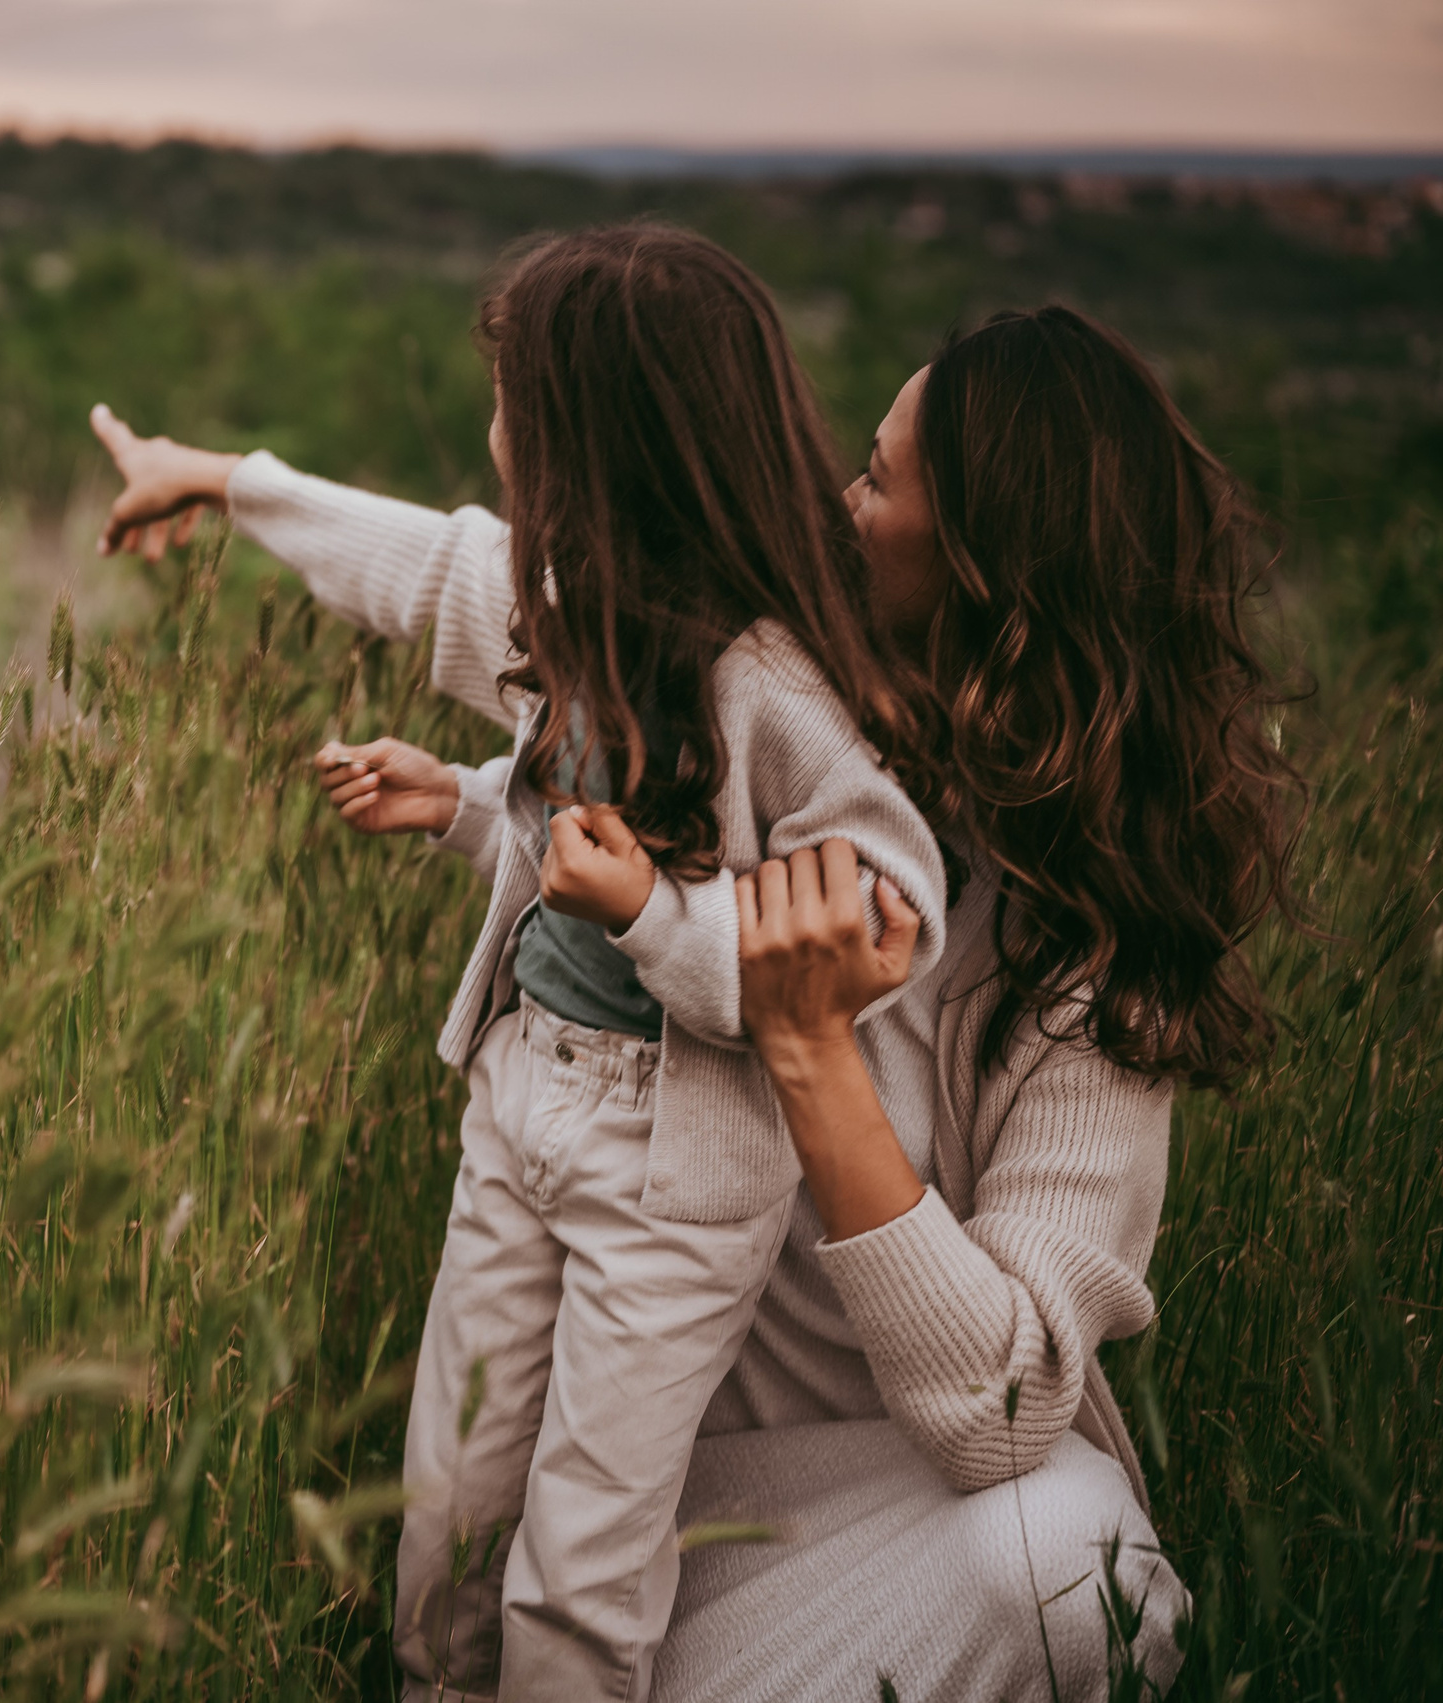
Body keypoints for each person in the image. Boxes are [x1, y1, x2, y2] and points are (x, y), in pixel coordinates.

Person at [94, 300, 1296, 1698]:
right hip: (626, 1481)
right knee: (506, 1591)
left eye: (877, 477)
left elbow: (1007, 1414)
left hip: (856, 1544)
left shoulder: (1099, 976)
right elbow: (469, 576)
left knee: (1086, 1577)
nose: (839, 503)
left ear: (981, 565)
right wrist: (230, 483)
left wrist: (810, 1053)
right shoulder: (747, 685)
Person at [96, 224, 954, 1702]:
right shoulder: (563, 608)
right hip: (522, 1104)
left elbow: (880, 925)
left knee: (581, 1570)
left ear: (597, 445)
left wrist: (652, 924)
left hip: (675, 1172)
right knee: (447, 1512)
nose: (495, 433)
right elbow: (419, 566)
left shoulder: (770, 689)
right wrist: (225, 482)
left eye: (517, 405)